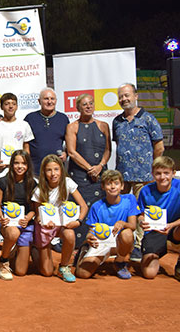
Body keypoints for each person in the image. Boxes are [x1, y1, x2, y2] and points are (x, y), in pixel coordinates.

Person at [113, 82, 164, 260]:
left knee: (142, 212)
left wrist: (153, 170)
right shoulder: (117, 121)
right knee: (123, 210)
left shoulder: (148, 119)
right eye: (121, 96)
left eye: (127, 95)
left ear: (136, 96)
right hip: (123, 177)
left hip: (144, 177)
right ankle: (121, 243)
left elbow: (159, 146)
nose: (124, 99)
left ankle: (139, 245)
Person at [0, 93, 33, 258]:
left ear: (17, 106)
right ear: (2, 106)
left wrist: (24, 164)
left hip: (19, 173)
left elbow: (26, 147)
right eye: (7, 104)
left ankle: (14, 240)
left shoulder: (24, 125)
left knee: (17, 205)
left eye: (13, 103)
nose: (10, 106)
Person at [137, 156, 180, 285]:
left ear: (173, 173)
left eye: (166, 173)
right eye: (158, 173)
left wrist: (171, 225)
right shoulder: (145, 190)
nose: (162, 177)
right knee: (149, 274)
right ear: (152, 174)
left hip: (173, 229)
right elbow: (141, 216)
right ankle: (154, 253)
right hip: (154, 232)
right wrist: (142, 222)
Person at [31, 154, 88, 283]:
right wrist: (44, 222)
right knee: (47, 272)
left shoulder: (68, 183)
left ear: (61, 170)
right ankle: (35, 249)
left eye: (56, 169)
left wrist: (78, 221)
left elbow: (83, 206)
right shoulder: (39, 190)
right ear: (44, 172)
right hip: (45, 228)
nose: (53, 173)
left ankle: (64, 266)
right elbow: (38, 216)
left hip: (62, 226)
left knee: (70, 234)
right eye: (49, 170)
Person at [66, 93, 111, 247]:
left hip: (100, 175)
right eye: (84, 104)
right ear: (78, 107)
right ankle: (78, 244)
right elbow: (72, 152)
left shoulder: (103, 125)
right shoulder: (72, 127)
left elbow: (108, 150)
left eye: (91, 103)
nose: (88, 106)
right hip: (79, 176)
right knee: (81, 207)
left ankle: (103, 241)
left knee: (100, 207)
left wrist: (100, 166)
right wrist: (90, 169)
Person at [75, 170, 137, 280]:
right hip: (102, 244)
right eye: (109, 184)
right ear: (103, 187)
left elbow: (133, 226)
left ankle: (120, 262)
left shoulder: (130, 199)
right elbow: (91, 231)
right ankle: (86, 251)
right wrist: (89, 238)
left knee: (127, 234)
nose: (113, 187)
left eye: (116, 183)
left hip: (120, 243)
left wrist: (123, 223)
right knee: (82, 273)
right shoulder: (96, 206)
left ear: (122, 186)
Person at [0, 150, 37, 280]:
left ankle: (14, 251)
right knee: (13, 233)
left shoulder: (33, 184)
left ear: (28, 165)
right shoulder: (2, 182)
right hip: (8, 223)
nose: (20, 166)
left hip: (25, 224)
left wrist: (28, 218)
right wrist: (2, 217)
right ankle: (3, 260)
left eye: (23, 163)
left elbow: (35, 209)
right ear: (11, 164)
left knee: (21, 271)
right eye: (16, 163)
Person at [24, 88, 70, 173]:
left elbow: (70, 142)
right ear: (39, 101)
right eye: (46, 99)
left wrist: (66, 153)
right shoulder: (30, 118)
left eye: (52, 99)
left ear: (56, 101)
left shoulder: (63, 118)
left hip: (56, 170)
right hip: (34, 170)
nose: (49, 102)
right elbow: (23, 142)